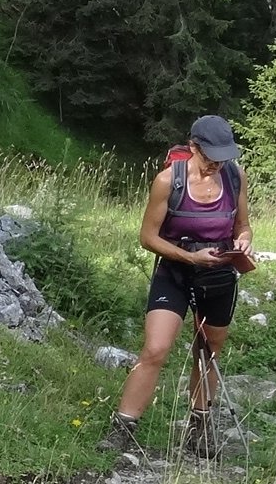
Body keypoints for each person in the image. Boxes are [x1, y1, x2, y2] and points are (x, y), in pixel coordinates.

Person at [102, 116, 252, 458]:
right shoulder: (168, 181)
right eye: (210, 157)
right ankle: (123, 427)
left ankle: (199, 430)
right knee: (155, 349)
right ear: (193, 147)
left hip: (218, 274)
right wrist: (189, 257)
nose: (216, 165)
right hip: (175, 271)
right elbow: (147, 237)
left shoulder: (235, 176)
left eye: (223, 158)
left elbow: (243, 225)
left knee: (208, 352)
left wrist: (243, 242)